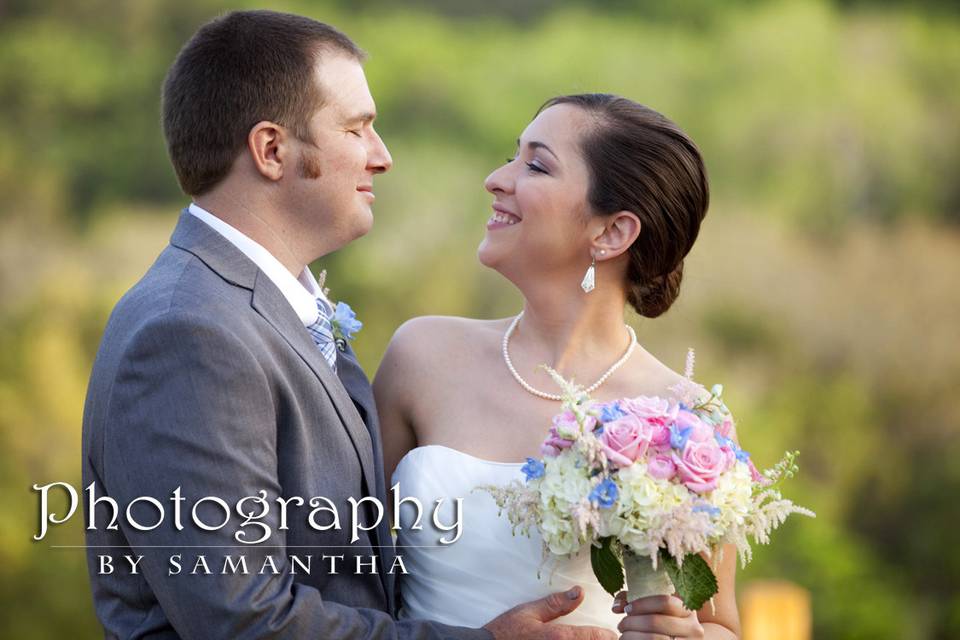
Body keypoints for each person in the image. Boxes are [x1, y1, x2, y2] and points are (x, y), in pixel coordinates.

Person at [81, 10, 615, 640]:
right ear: (272, 150)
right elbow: (243, 619)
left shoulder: (261, 307)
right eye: (358, 129)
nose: (382, 157)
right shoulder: (189, 331)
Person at [375, 94, 743, 638]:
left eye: (536, 165)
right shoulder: (421, 356)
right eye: (512, 156)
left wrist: (685, 633)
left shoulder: (687, 422)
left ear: (612, 232)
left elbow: (721, 623)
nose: (497, 179)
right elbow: (340, 572)